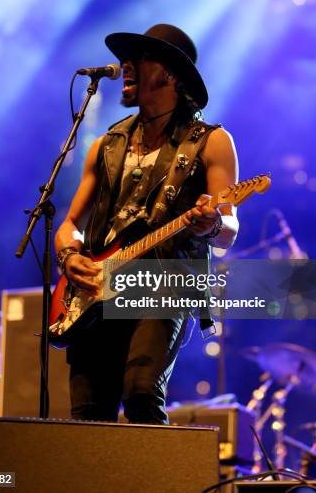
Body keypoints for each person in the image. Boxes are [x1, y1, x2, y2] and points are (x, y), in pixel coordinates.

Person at [55, 24, 239, 424]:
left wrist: (208, 224)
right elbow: (70, 223)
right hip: (97, 288)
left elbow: (228, 228)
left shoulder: (210, 141)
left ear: (170, 74)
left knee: (140, 393)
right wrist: (70, 256)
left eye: (138, 59)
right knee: (88, 413)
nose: (125, 67)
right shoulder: (107, 144)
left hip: (163, 282)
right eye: (125, 60)